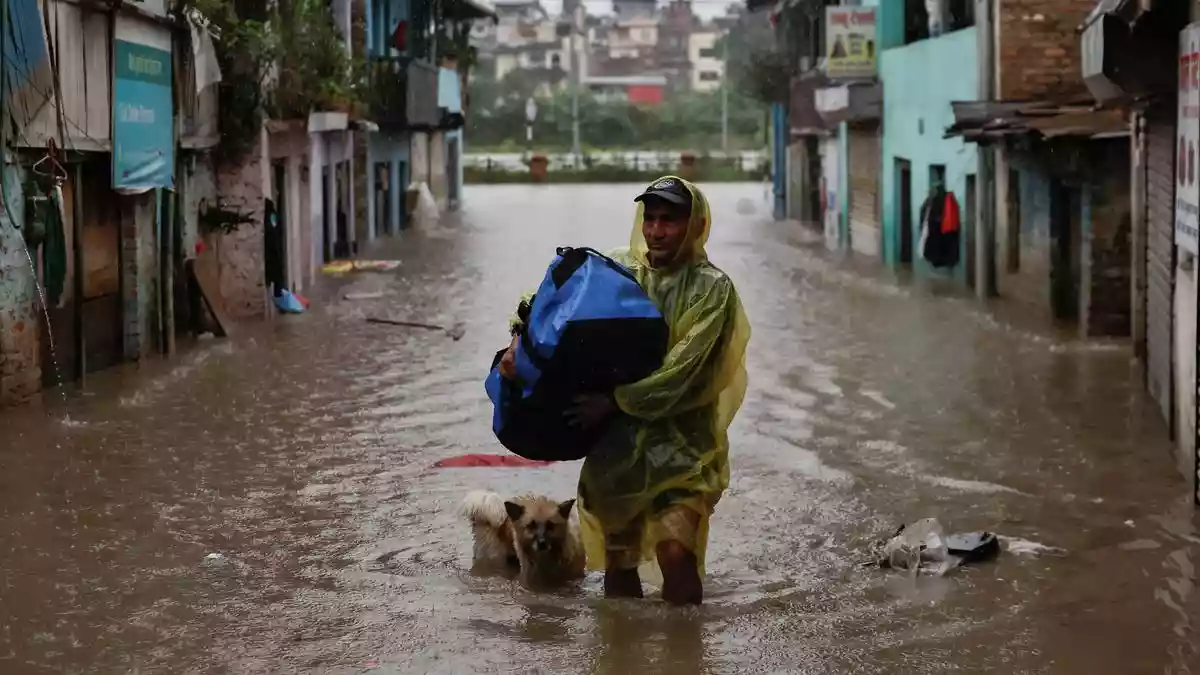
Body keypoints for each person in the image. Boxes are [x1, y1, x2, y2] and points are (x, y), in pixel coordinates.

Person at [500, 176, 751, 605]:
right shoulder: (618, 268)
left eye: (670, 221)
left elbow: (683, 373)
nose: (656, 230)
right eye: (650, 218)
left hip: (684, 451)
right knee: (619, 565)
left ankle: (686, 654)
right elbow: (545, 299)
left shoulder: (713, 289)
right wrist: (518, 338)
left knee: (676, 554)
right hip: (615, 451)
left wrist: (614, 401)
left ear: (696, 225)